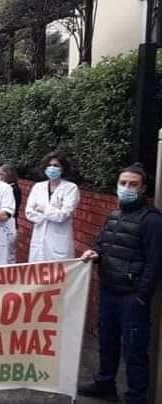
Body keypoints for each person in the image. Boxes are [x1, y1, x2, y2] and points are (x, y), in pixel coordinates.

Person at [78, 164, 162, 404]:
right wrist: (94, 253)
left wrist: (141, 297)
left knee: (134, 350)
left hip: (132, 296)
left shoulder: (152, 220)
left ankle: (136, 398)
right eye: (123, 183)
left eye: (133, 184)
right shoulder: (114, 215)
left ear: (142, 189)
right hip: (109, 290)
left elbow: (155, 263)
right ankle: (105, 384)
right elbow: (102, 245)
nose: (126, 188)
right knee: (107, 341)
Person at [26, 152, 80, 262]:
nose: (52, 168)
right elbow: (29, 212)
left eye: (56, 166)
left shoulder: (71, 188)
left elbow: (63, 215)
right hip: (39, 239)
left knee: (59, 271)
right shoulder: (38, 187)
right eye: (49, 165)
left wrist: (43, 208)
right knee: (38, 270)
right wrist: (52, 212)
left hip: (59, 242)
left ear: (63, 169)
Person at [0, 163, 21, 263]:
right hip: (1, 223)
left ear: (8, 174)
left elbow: (11, 210)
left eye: (1, 174)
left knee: (9, 254)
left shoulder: (13, 189)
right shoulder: (5, 187)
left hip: (9, 223)